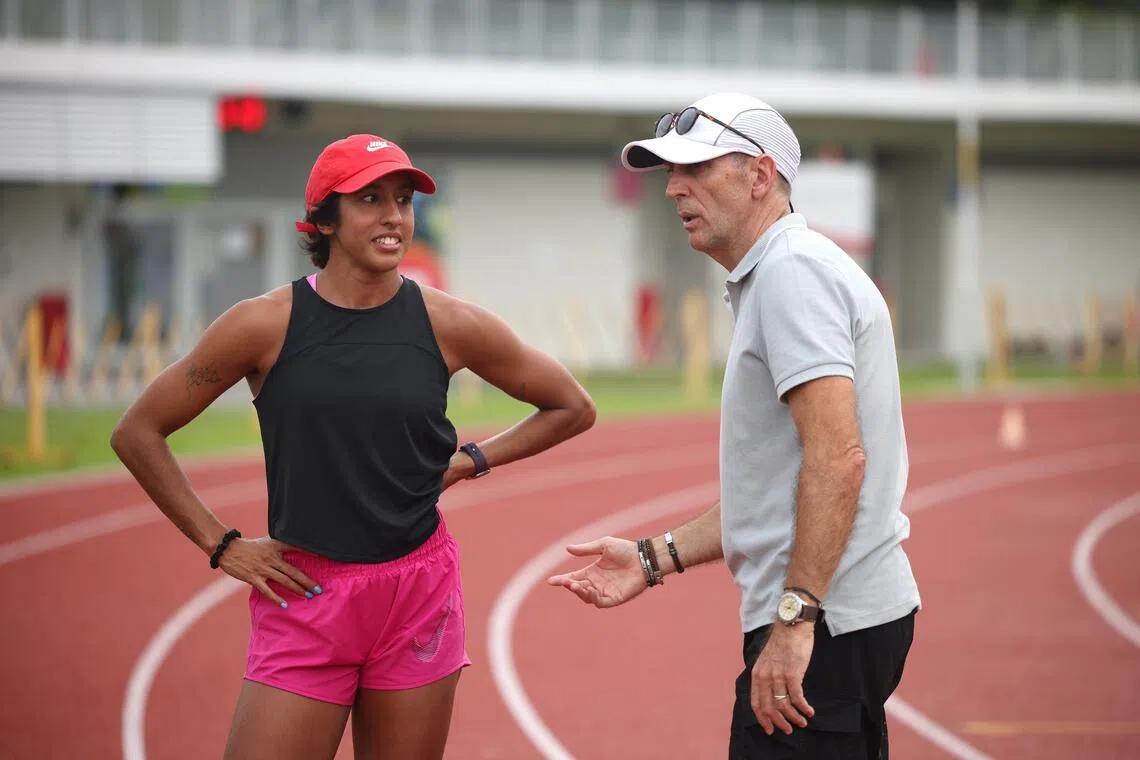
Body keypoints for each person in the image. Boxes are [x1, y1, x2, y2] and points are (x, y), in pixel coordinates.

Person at [111, 133, 597, 760]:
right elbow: (138, 432)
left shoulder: (449, 324)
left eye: (402, 199)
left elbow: (571, 408)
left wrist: (471, 461)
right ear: (325, 220)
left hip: (417, 591)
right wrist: (221, 543)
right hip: (305, 591)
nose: (394, 216)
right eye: (370, 199)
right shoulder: (262, 324)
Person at [548, 93, 921, 759]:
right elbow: (776, 492)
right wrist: (650, 557)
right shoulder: (783, 270)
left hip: (826, 624)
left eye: (696, 169)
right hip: (843, 620)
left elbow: (838, 459)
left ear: (760, 176)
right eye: (669, 173)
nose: (675, 189)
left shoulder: (791, 273)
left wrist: (796, 619)